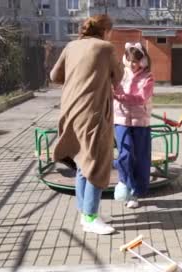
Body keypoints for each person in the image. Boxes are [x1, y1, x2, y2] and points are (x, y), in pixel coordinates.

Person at [49, 14, 123, 235]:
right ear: (105, 31)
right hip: (94, 114)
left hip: (70, 112)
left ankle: (85, 213)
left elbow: (54, 75)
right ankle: (91, 218)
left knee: (83, 162)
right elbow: (118, 77)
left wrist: (77, 79)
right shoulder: (106, 48)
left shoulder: (71, 46)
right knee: (98, 165)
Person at [113, 42, 155, 209]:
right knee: (125, 155)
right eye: (130, 60)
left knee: (140, 158)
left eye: (136, 61)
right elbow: (111, 89)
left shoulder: (148, 77)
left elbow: (141, 98)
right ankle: (125, 183)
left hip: (140, 122)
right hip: (121, 120)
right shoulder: (121, 75)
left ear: (143, 61)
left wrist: (120, 97)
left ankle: (135, 193)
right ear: (125, 60)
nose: (133, 64)